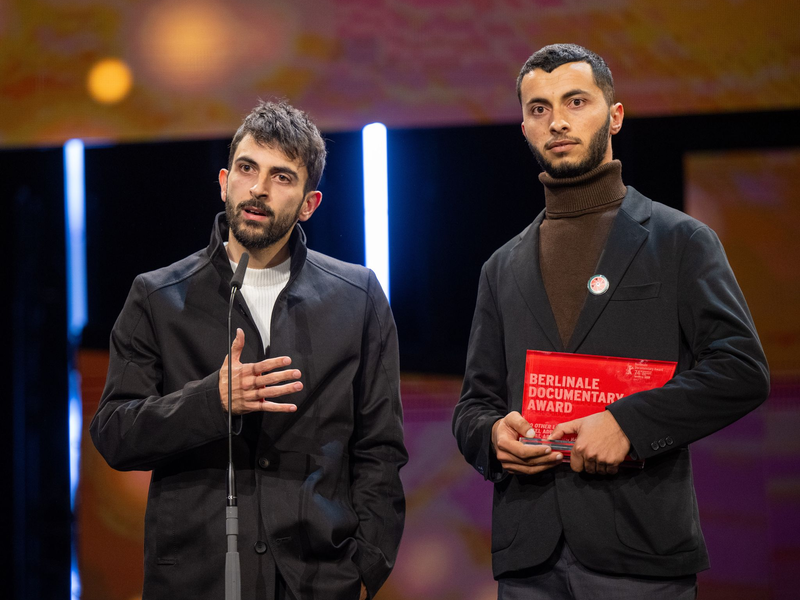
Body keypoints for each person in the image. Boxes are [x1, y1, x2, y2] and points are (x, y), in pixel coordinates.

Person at [452, 44, 769, 599]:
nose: (558, 121)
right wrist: (491, 437)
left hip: (640, 555)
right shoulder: (501, 267)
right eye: (539, 109)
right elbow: (475, 404)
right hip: (529, 561)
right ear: (525, 127)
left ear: (614, 115)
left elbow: (741, 369)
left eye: (576, 101)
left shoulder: (680, 241)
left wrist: (628, 424)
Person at [91, 100, 407, 600]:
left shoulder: (357, 296)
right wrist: (208, 401)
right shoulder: (157, 296)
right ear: (223, 181)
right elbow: (114, 433)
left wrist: (367, 566)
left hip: (317, 581)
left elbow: (379, 447)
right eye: (247, 168)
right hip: (196, 580)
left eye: (282, 177)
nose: (259, 188)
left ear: (309, 204)